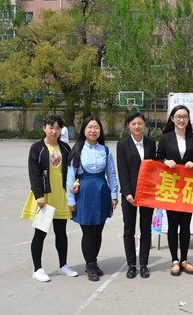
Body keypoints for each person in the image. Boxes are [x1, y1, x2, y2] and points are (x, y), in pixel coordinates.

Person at [22, 115, 78, 282]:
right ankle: (37, 269)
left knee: (61, 232)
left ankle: (63, 265)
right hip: (44, 197)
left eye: (57, 128)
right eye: (51, 127)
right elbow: (34, 174)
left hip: (61, 196)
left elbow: (72, 170)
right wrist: (39, 195)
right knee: (40, 233)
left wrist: (75, 183)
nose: (54, 131)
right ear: (44, 128)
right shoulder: (37, 148)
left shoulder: (65, 148)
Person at [66, 116, 118, 282]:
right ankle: (90, 265)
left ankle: (93, 262)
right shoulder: (77, 150)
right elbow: (70, 176)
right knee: (88, 231)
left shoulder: (105, 150)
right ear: (84, 130)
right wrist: (70, 200)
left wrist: (114, 195)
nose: (93, 130)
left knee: (98, 231)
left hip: (102, 192)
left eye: (96, 127)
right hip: (84, 193)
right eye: (90, 127)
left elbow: (111, 174)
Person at [156, 105, 193, 276]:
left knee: (186, 225)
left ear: (189, 119)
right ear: (172, 119)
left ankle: (184, 259)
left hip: (188, 186)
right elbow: (158, 157)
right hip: (171, 187)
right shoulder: (166, 137)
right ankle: (174, 260)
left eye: (185, 117)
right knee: (173, 223)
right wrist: (165, 162)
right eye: (178, 116)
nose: (181, 120)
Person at [116, 112, 157, 279]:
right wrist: (127, 193)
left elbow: (154, 170)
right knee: (129, 230)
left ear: (144, 125)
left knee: (146, 229)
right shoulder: (122, 144)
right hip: (129, 195)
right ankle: (131, 264)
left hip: (147, 193)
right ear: (128, 125)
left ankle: (144, 264)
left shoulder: (151, 144)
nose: (137, 126)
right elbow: (122, 170)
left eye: (140, 123)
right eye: (133, 124)